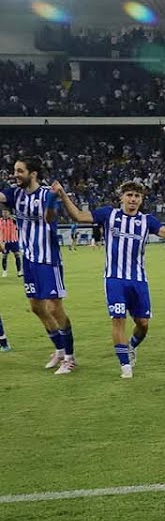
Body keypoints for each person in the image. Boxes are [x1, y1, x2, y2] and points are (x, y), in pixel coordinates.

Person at [53, 180, 165, 378]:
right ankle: (125, 367)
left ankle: (131, 346)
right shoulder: (108, 214)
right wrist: (63, 195)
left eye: (137, 196)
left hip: (139, 280)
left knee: (143, 323)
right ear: (121, 197)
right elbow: (79, 215)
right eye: (129, 195)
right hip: (115, 280)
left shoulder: (148, 220)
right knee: (118, 320)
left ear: (141, 200)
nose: (133, 199)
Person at [0, 158, 76, 373]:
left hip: (48, 260)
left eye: (20, 171)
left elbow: (49, 217)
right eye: (15, 170)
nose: (15, 174)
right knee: (36, 307)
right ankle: (60, 350)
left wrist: (53, 200)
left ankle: (70, 358)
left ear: (32, 173)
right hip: (30, 260)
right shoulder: (16, 193)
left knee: (54, 307)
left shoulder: (46, 194)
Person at [0, 209, 20, 278]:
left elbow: (19, 224)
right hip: (5, 242)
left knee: (17, 255)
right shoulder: (0, 221)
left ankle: (19, 271)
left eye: (6, 212)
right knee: (4, 256)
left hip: (14, 241)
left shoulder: (13, 220)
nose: (5, 214)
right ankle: (4, 272)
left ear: (9, 213)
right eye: (3, 212)